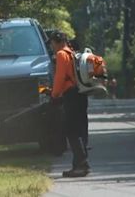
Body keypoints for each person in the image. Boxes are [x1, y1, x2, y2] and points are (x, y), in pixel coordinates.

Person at [49, 31, 90, 177]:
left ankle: (81, 164)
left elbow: (60, 77)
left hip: (71, 95)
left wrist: (54, 95)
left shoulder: (61, 54)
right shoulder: (72, 53)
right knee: (79, 129)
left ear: (58, 41)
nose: (51, 46)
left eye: (52, 43)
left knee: (71, 130)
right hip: (80, 93)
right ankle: (79, 164)